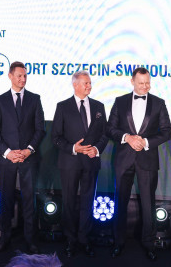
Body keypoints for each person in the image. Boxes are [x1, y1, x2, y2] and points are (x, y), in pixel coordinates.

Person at [107, 67, 171, 261]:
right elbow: (110, 129)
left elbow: (167, 131)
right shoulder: (120, 101)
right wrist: (127, 137)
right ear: (132, 82)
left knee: (148, 204)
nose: (145, 86)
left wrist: (145, 142)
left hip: (147, 159)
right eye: (141, 83)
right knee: (120, 202)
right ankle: (118, 242)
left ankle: (149, 244)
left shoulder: (159, 103)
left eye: (148, 83)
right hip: (123, 160)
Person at [0, 62, 45, 255]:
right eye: (19, 75)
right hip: (7, 159)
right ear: (10, 76)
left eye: (25, 75)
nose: (23, 79)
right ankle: (4, 239)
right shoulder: (0, 100)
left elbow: (40, 129)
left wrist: (29, 150)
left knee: (30, 201)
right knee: (5, 199)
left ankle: (30, 241)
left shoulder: (35, 99)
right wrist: (8, 152)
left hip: (29, 158)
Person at [51, 71, 108, 258]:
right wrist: (73, 148)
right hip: (70, 162)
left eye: (90, 83)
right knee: (68, 202)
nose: (89, 86)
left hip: (91, 162)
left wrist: (96, 149)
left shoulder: (99, 106)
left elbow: (104, 134)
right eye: (86, 83)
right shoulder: (62, 107)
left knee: (88, 202)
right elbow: (55, 137)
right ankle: (70, 240)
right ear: (75, 85)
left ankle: (84, 239)